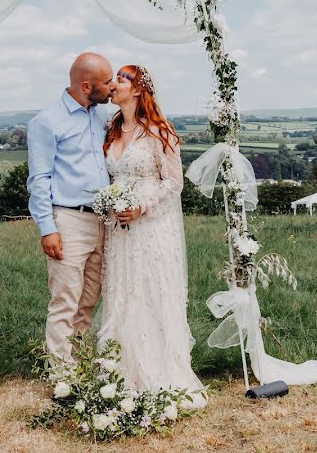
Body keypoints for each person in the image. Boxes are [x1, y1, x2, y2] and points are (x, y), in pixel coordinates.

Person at [97, 64, 206, 407]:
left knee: (150, 292)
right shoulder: (111, 130)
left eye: (120, 78)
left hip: (152, 226)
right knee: (123, 294)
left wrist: (141, 206)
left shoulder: (160, 131)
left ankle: (159, 374)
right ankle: (120, 374)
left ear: (139, 89)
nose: (112, 84)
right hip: (120, 232)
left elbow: (174, 182)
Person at [26, 51, 115, 362]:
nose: (113, 86)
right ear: (87, 85)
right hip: (68, 220)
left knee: (89, 297)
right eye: (107, 81)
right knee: (66, 299)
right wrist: (47, 229)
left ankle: (79, 363)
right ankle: (62, 374)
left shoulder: (102, 115)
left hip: (103, 221)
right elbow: (39, 179)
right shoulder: (46, 122)